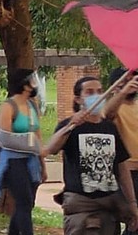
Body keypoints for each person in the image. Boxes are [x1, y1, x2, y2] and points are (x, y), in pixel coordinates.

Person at [44, 76, 138, 234]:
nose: (97, 95)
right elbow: (51, 148)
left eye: (100, 91)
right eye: (89, 92)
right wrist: (71, 125)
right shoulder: (69, 126)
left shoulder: (109, 128)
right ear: (78, 99)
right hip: (80, 205)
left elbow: (121, 168)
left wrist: (132, 203)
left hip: (109, 205)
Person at [0, 68, 46, 235]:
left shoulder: (32, 104)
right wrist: (30, 143)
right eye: (32, 80)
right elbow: (5, 138)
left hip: (31, 161)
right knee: (24, 201)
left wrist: (42, 163)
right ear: (24, 84)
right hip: (13, 160)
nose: (35, 84)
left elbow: (38, 135)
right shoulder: (9, 106)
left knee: (28, 203)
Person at [105, 68, 138, 235]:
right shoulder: (114, 107)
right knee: (130, 219)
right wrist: (122, 92)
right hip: (125, 174)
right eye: (126, 81)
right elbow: (106, 114)